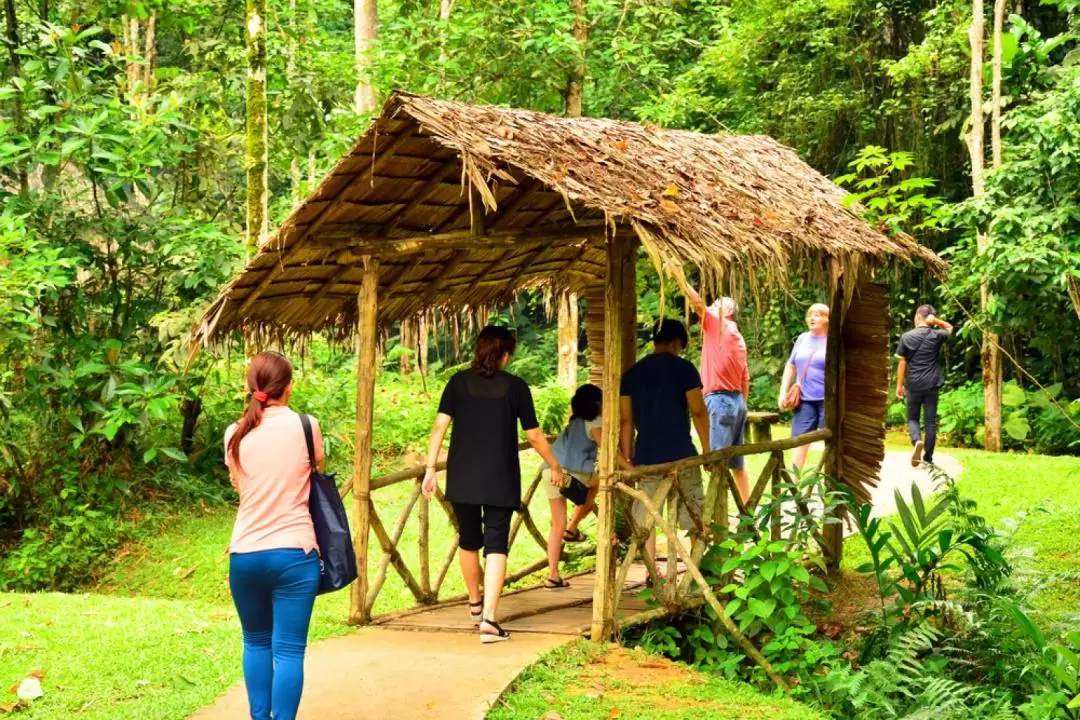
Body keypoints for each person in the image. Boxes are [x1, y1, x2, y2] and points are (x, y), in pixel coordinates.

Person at [422, 326, 564, 643]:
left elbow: (438, 427)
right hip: (500, 476)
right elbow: (534, 435)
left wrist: (430, 468)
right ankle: (489, 619)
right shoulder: (516, 387)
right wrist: (554, 464)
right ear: (505, 355)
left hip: (462, 476)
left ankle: (475, 603)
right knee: (496, 543)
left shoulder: (457, 383)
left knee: (469, 539)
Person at [224, 351, 322, 720]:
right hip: (295, 554)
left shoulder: (234, 433)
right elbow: (314, 474)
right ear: (289, 387)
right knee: (290, 651)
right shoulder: (306, 426)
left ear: (251, 388)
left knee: (255, 642)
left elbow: (240, 485)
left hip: (245, 553)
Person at [619, 319, 710, 563]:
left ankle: (651, 574)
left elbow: (625, 421)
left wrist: (628, 458)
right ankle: (698, 568)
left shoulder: (631, 375)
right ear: (675, 343)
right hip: (681, 453)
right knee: (693, 513)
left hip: (647, 456)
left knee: (648, 516)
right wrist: (707, 450)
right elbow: (699, 411)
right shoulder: (684, 369)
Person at [541, 384, 631, 589]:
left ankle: (553, 575)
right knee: (596, 485)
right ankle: (573, 526)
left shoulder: (574, 422)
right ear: (598, 403)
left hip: (550, 470)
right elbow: (607, 449)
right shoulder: (595, 422)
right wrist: (629, 466)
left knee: (557, 525)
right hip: (573, 472)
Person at [678, 283, 751, 501]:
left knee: (716, 463)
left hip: (719, 400)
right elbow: (745, 379)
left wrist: (677, 274)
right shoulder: (738, 338)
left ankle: (716, 517)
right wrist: (741, 406)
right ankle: (747, 510)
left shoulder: (718, 326)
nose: (712, 306)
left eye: (717, 305)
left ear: (726, 312)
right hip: (738, 402)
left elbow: (697, 304)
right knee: (737, 464)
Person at [896, 304, 953, 467]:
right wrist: (937, 321)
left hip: (914, 383)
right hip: (932, 383)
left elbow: (902, 362)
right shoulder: (937, 335)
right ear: (929, 319)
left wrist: (900, 385)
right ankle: (928, 458)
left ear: (918, 317)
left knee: (912, 418)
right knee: (930, 422)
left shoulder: (906, 337)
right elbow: (949, 327)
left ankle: (916, 441)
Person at [778, 303, 830, 471]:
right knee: (799, 442)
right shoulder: (802, 339)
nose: (812, 318)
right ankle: (794, 487)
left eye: (818, 314)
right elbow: (791, 365)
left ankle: (831, 485)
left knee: (830, 442)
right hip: (804, 400)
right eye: (810, 314)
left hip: (827, 400)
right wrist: (782, 392)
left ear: (827, 320)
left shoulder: (833, 341)